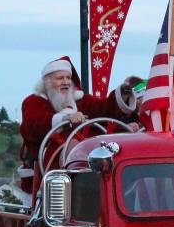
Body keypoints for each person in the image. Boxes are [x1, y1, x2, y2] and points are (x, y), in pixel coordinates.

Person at [19, 56, 137, 194]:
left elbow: (105, 108)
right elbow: (31, 126)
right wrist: (64, 119)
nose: (66, 82)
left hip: (90, 168)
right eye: (60, 78)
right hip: (49, 174)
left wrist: (125, 92)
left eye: (68, 78)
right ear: (47, 82)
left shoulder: (82, 102)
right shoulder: (33, 102)